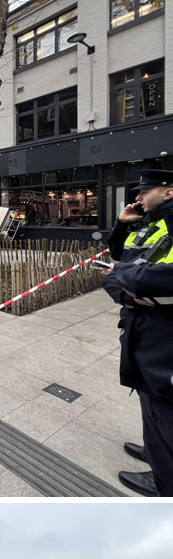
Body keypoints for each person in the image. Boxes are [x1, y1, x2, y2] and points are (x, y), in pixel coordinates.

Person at [102, 167, 173, 496]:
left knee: (163, 405)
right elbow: (116, 260)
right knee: (148, 399)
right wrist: (122, 223)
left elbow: (142, 278)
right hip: (140, 324)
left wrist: (127, 279)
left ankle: (164, 483)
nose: (138, 197)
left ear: (168, 192)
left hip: (164, 334)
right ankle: (154, 451)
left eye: (145, 192)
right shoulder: (149, 223)